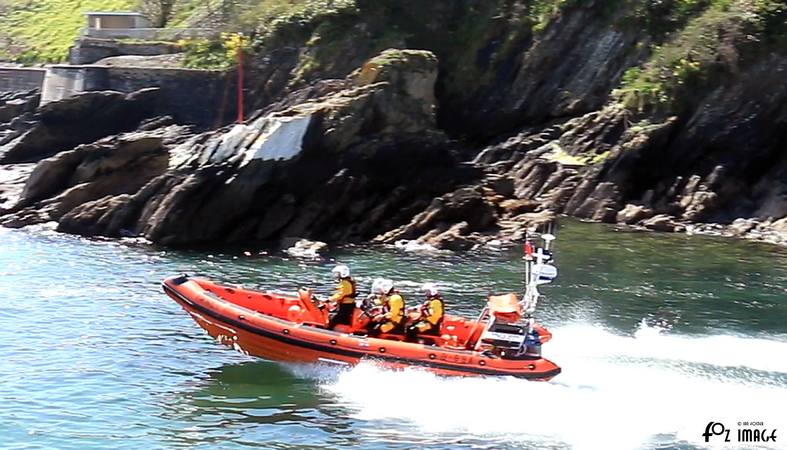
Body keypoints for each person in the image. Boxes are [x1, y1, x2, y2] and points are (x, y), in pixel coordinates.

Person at [326, 264, 357, 329]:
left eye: (338, 273)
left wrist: (329, 300)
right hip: (349, 304)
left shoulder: (345, 283)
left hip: (346, 305)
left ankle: (329, 330)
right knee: (343, 318)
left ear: (343, 273)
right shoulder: (349, 281)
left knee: (335, 320)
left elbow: (340, 294)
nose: (336, 275)